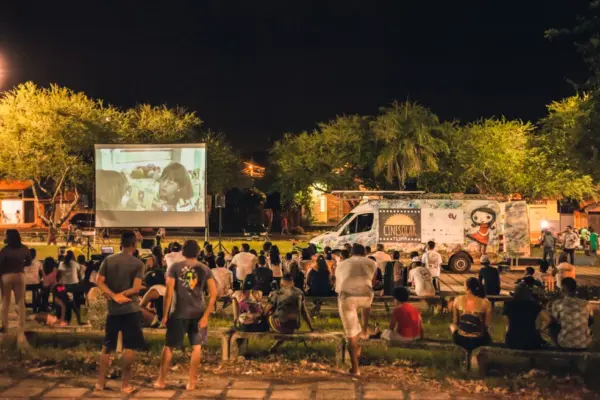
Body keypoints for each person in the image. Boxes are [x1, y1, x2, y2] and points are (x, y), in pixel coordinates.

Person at [155, 240, 217, 391]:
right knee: (196, 347)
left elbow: (169, 292)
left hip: (178, 312)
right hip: (198, 313)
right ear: (198, 252)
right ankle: (192, 382)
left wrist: (165, 314)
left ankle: (161, 380)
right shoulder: (205, 269)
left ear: (182, 252)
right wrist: (206, 316)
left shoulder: (174, 267)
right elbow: (214, 294)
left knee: (169, 346)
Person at [95, 231, 146, 394]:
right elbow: (136, 288)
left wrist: (113, 296)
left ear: (120, 243)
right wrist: (122, 295)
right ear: (134, 245)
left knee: (107, 346)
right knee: (129, 347)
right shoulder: (138, 264)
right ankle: (125, 384)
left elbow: (99, 282)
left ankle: (100, 383)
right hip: (131, 309)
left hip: (113, 310)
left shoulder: (108, 260)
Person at [335, 243, 378, 376]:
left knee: (351, 334)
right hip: (366, 296)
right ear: (365, 253)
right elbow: (373, 282)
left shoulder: (341, 265)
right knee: (367, 299)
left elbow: (338, 287)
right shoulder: (372, 263)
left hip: (347, 297)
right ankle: (364, 329)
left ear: (350, 253)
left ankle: (355, 369)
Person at [0, 229, 31, 346]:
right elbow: (28, 262)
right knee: (20, 301)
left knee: (5, 301)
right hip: (20, 275)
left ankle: (5, 325)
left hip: (6, 276)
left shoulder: (5, 250)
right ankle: (21, 326)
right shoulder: (24, 248)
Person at [503, 284, 550, 350]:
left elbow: (507, 325)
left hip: (513, 341)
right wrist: (540, 330)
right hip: (531, 341)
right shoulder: (534, 305)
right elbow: (548, 320)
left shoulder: (508, 305)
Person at [550, 277, 593, 349]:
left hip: (565, 343)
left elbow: (554, 320)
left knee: (552, 324)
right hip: (584, 343)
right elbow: (591, 320)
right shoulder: (586, 304)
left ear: (562, 289)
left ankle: (557, 347)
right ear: (575, 289)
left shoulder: (558, 304)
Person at [451, 278, 492, 351]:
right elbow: (487, 324)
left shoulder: (458, 299)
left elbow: (455, 322)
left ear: (467, 288)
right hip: (479, 339)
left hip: (461, 338)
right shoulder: (486, 302)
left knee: (452, 326)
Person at [24, 248, 43, 312]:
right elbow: (41, 274)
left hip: (25, 284)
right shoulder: (38, 263)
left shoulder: (23, 262)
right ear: (35, 255)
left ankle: (23, 304)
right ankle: (36, 305)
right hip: (35, 284)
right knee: (40, 289)